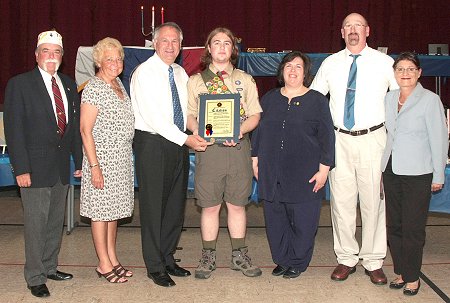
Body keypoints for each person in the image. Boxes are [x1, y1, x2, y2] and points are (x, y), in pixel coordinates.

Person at [310, 12, 398, 285]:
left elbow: (399, 101)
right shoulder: (330, 63)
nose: (353, 30)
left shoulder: (385, 63)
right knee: (342, 202)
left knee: (374, 202)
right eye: (348, 26)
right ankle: (346, 257)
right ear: (341, 32)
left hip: (374, 139)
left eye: (358, 25)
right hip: (340, 140)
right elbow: (314, 99)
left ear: (368, 31)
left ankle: (373, 260)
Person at [3, 30, 82, 298]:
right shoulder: (20, 84)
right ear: (37, 55)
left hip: (60, 167)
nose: (51, 56)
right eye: (46, 51)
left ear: (62, 56)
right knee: (35, 224)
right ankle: (35, 276)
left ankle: (50, 266)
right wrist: (21, 169)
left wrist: (79, 162)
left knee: (54, 221)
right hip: (34, 168)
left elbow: (72, 130)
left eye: (56, 51)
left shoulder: (69, 85)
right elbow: (14, 130)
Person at [130, 22, 209, 287]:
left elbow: (186, 111)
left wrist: (197, 129)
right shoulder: (144, 72)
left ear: (180, 45)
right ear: (154, 43)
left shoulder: (179, 72)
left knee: (175, 206)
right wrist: (187, 139)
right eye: (165, 41)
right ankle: (154, 265)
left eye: (175, 41)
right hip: (152, 144)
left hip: (177, 143)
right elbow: (154, 118)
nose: (170, 46)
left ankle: (167, 257)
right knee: (154, 207)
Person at [186, 27, 262, 279]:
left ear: (233, 49)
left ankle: (239, 255)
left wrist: (238, 131)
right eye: (216, 43)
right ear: (208, 48)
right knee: (209, 207)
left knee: (237, 205)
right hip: (209, 152)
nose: (221, 47)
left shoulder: (245, 79)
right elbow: (189, 115)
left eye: (226, 43)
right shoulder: (196, 81)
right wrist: (199, 131)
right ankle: (208, 257)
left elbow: (255, 115)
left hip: (238, 149)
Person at [251, 51, 335, 279]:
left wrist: (324, 169)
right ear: (282, 71)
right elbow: (258, 131)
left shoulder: (317, 100)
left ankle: (297, 262)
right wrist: (255, 159)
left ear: (305, 72)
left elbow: (327, 137)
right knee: (276, 220)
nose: (293, 70)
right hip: (272, 171)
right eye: (289, 66)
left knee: (303, 221)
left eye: (298, 66)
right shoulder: (269, 98)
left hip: (305, 173)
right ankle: (282, 259)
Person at [381, 52, 447, 296]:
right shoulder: (388, 98)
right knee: (394, 225)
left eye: (410, 69)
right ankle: (400, 270)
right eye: (400, 69)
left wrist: (438, 175)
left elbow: (439, 139)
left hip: (418, 172)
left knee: (413, 227)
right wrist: (381, 168)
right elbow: (389, 136)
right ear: (395, 73)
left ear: (419, 73)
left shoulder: (431, 100)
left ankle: (412, 276)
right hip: (391, 170)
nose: (405, 73)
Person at [79, 37, 135, 283]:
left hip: (121, 159)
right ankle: (103, 263)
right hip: (101, 159)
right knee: (101, 213)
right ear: (99, 61)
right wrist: (94, 167)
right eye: (109, 59)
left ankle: (112, 257)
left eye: (118, 58)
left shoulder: (119, 85)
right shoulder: (94, 87)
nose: (115, 63)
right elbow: (85, 130)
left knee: (114, 213)